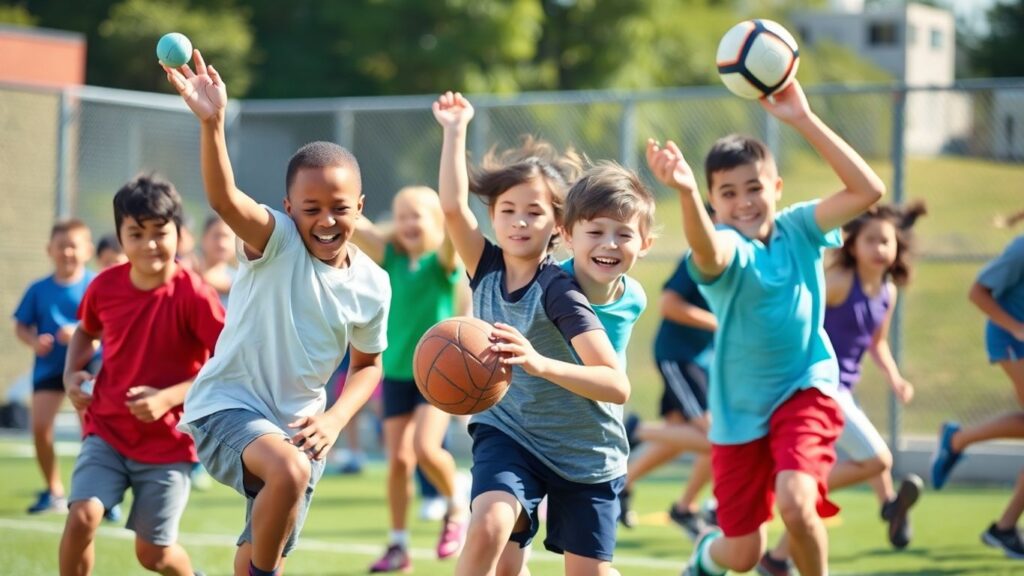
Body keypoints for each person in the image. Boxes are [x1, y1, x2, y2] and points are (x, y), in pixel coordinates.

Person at [164, 50, 390, 576]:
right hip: (226, 408)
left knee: (261, 548)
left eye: (340, 207)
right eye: (311, 209)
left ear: (360, 206)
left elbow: (368, 365)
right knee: (287, 473)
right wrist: (213, 122)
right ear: (287, 209)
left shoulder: (374, 284)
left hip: (301, 429)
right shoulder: (277, 242)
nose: (327, 220)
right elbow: (223, 199)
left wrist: (334, 419)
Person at [647, 79, 886, 576]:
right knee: (742, 556)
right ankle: (703, 560)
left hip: (806, 386)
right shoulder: (729, 250)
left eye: (754, 187)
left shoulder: (801, 226)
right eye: (728, 194)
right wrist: (687, 192)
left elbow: (868, 190)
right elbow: (709, 251)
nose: (745, 202)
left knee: (797, 503)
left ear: (775, 188)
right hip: (738, 413)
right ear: (715, 204)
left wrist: (801, 118)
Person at [434, 91, 630, 576]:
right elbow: (454, 208)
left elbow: (616, 382)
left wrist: (537, 362)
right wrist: (455, 131)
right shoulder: (486, 266)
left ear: (559, 225)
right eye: (507, 209)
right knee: (489, 527)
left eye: (534, 212)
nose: (519, 220)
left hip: (582, 451)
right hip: (509, 432)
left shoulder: (559, 291)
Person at [58, 175, 225, 576]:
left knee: (153, 555)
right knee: (82, 516)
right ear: (120, 237)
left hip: (169, 445)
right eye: (136, 233)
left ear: (180, 236)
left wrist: (169, 397)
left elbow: (227, 365)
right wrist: (71, 375)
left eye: (159, 232)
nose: (149, 243)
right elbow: (86, 330)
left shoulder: (196, 295)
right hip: (107, 431)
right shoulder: (104, 287)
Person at [759, 202, 928, 576]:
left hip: (842, 392)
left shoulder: (887, 291)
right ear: (853, 245)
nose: (879, 249)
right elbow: (799, 323)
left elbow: (877, 342)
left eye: (886, 242)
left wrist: (895, 379)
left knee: (864, 466)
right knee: (878, 460)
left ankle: (778, 558)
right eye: (870, 240)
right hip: (818, 387)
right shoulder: (837, 283)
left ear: (897, 247)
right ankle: (878, 503)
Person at [351, 185, 470, 572]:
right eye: (401, 216)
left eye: (416, 215)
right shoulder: (391, 260)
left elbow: (455, 233)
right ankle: (399, 546)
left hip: (437, 377)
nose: (407, 223)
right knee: (398, 460)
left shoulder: (442, 264)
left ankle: (457, 506)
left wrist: (453, 205)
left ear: (435, 220)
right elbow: (356, 222)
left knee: (424, 447)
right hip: (397, 373)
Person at [931, 234, 1024, 560]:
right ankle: (1005, 528)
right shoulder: (1022, 248)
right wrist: (1017, 328)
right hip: (1012, 340)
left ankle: (957, 440)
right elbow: (977, 292)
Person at [619, 250, 715, 540]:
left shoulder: (747, 255)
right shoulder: (698, 258)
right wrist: (720, 322)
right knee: (719, 438)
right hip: (680, 358)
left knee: (677, 437)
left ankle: (624, 483)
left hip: (702, 359)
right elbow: (668, 304)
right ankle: (637, 430)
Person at [14, 218, 96, 515]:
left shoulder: (95, 284)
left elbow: (108, 327)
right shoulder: (38, 289)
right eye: (61, 246)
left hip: (86, 369)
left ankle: (94, 495)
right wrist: (35, 341)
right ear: (50, 249)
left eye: (73, 246)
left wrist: (80, 332)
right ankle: (54, 490)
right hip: (48, 369)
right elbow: (21, 325)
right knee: (40, 428)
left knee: (90, 431)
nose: (67, 253)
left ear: (87, 250)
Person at [197, 213, 238, 306]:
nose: (221, 243)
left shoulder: (240, 280)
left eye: (226, 236)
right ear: (204, 238)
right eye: (216, 236)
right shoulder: (187, 273)